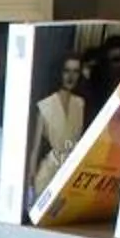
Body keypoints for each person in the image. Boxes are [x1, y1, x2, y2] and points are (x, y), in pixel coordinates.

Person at [30, 48, 88, 201]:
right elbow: (35, 149)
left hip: (72, 172)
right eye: (66, 71)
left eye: (75, 71)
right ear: (59, 73)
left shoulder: (80, 103)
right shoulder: (45, 105)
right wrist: (31, 180)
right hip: (49, 173)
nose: (70, 77)